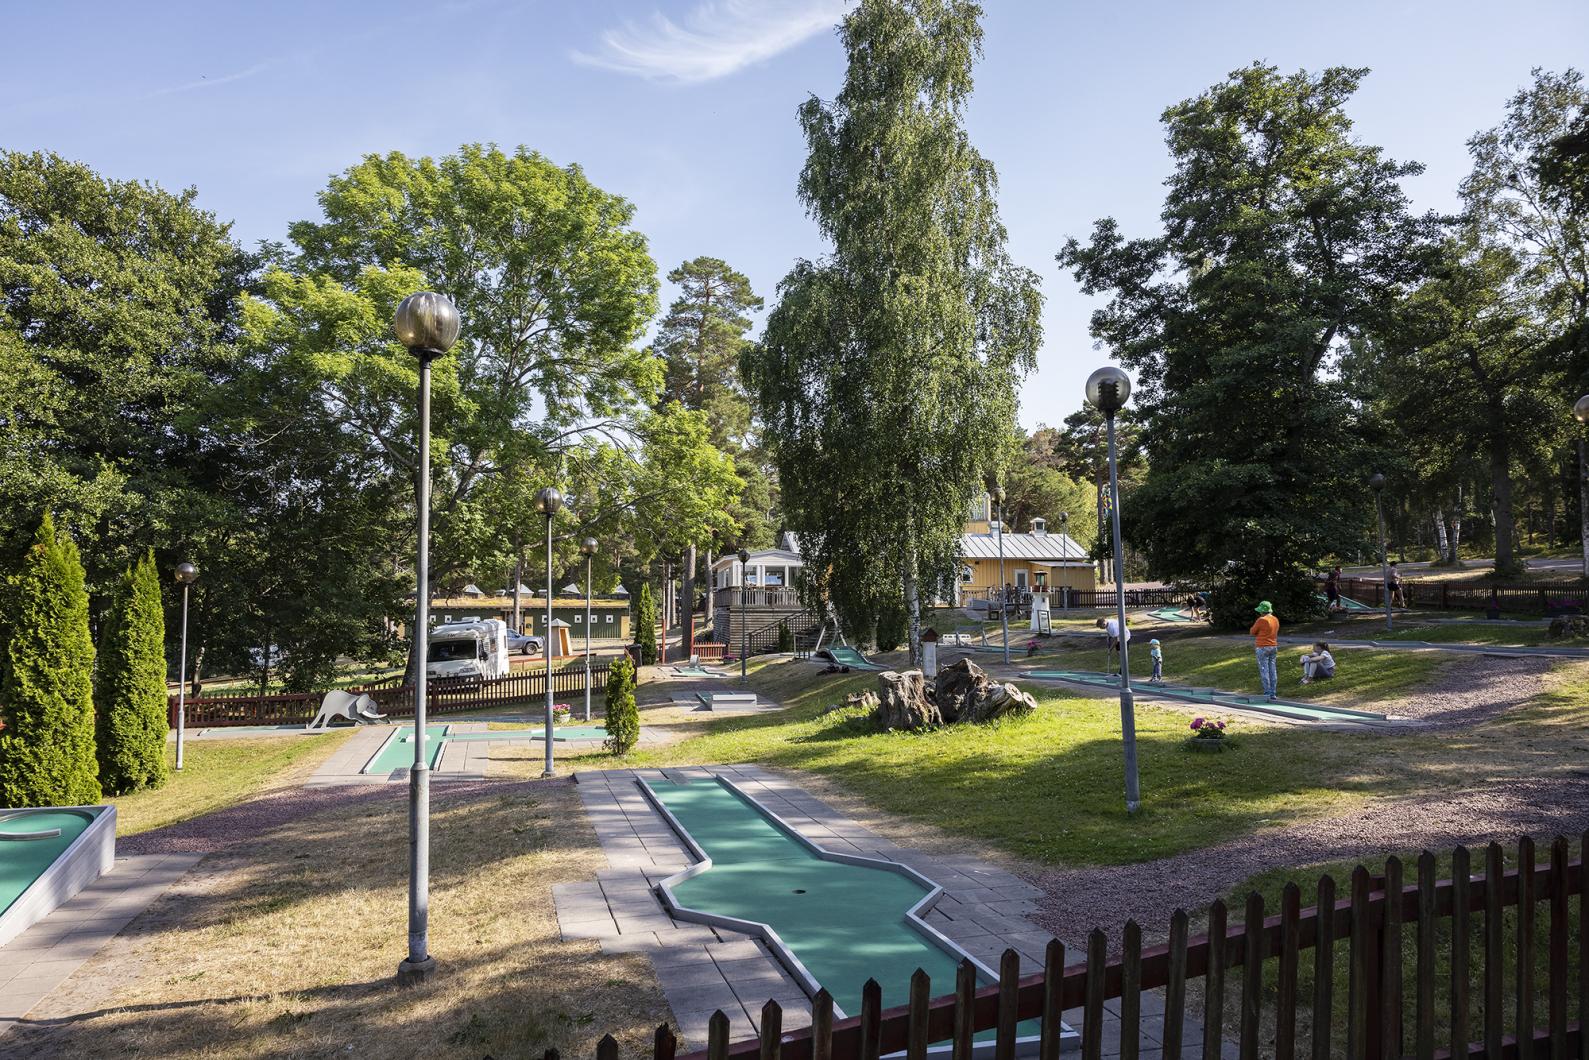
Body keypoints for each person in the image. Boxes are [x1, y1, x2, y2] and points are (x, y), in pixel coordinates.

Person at [1250, 601, 1280, 701]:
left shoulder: (1261, 620)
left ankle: (1267, 692)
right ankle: (1273, 692)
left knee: (1264, 669)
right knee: (1273, 669)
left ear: (1262, 611)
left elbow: (1252, 631)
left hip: (1262, 646)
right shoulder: (1275, 619)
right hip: (1273, 646)